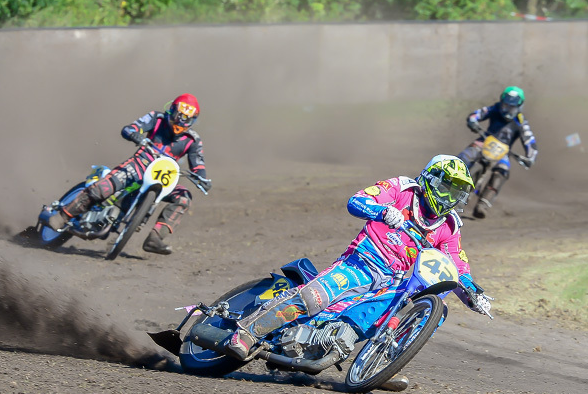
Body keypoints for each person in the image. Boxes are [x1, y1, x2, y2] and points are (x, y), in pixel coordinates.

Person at [225, 154, 491, 362]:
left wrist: (473, 294)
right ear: (431, 179)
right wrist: (382, 213)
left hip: (392, 282)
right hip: (360, 263)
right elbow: (357, 200)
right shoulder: (402, 189)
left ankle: (382, 363)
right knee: (314, 298)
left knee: (420, 312)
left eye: (457, 194)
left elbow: (456, 265)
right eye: (446, 188)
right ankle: (248, 332)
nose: (449, 198)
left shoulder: (450, 226)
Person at [47, 93, 211, 255]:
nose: (181, 122)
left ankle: (155, 237)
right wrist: (134, 133)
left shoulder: (193, 140)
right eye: (179, 116)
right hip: (139, 165)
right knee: (104, 188)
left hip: (165, 179)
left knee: (184, 197)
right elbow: (131, 128)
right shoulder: (156, 118)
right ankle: (64, 215)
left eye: (187, 119)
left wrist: (202, 178)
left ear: (193, 120)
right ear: (172, 110)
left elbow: (198, 164)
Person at [457, 86, 538, 218]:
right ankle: (447, 184)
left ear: (519, 107)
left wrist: (530, 157)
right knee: (465, 157)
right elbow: (477, 114)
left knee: (502, 172)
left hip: (503, 152)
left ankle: (483, 204)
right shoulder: (494, 108)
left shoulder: (521, 122)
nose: (507, 110)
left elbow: (530, 142)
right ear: (501, 103)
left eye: (511, 107)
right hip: (485, 140)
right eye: (505, 105)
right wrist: (472, 121)